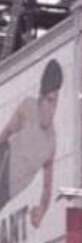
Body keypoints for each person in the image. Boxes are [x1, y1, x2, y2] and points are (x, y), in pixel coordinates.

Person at [0, 56, 63, 228]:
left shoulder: (52, 142)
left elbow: (47, 189)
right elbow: (5, 135)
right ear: (41, 98)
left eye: (56, 102)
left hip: (10, 189)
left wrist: (41, 210)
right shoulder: (28, 107)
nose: (52, 110)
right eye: (50, 101)